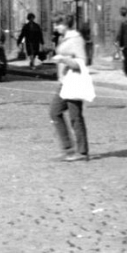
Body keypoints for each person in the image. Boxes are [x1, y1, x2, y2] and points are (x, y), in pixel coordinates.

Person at [49, 14, 89, 162]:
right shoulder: (64, 38)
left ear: (66, 24)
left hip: (74, 81)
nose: (55, 27)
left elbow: (82, 62)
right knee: (54, 112)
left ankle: (82, 152)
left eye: (58, 24)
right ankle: (68, 148)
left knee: (75, 116)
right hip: (64, 82)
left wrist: (63, 59)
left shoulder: (76, 40)